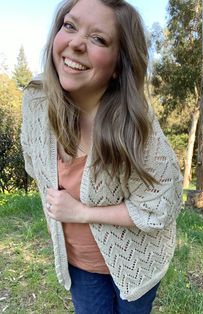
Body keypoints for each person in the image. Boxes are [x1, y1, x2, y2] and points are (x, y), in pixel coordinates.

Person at [21, 0, 183, 313]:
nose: (76, 43)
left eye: (98, 39)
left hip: (138, 261)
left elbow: (163, 202)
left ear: (118, 65)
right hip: (78, 264)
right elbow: (34, 163)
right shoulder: (36, 100)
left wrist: (82, 212)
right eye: (70, 26)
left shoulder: (136, 123)